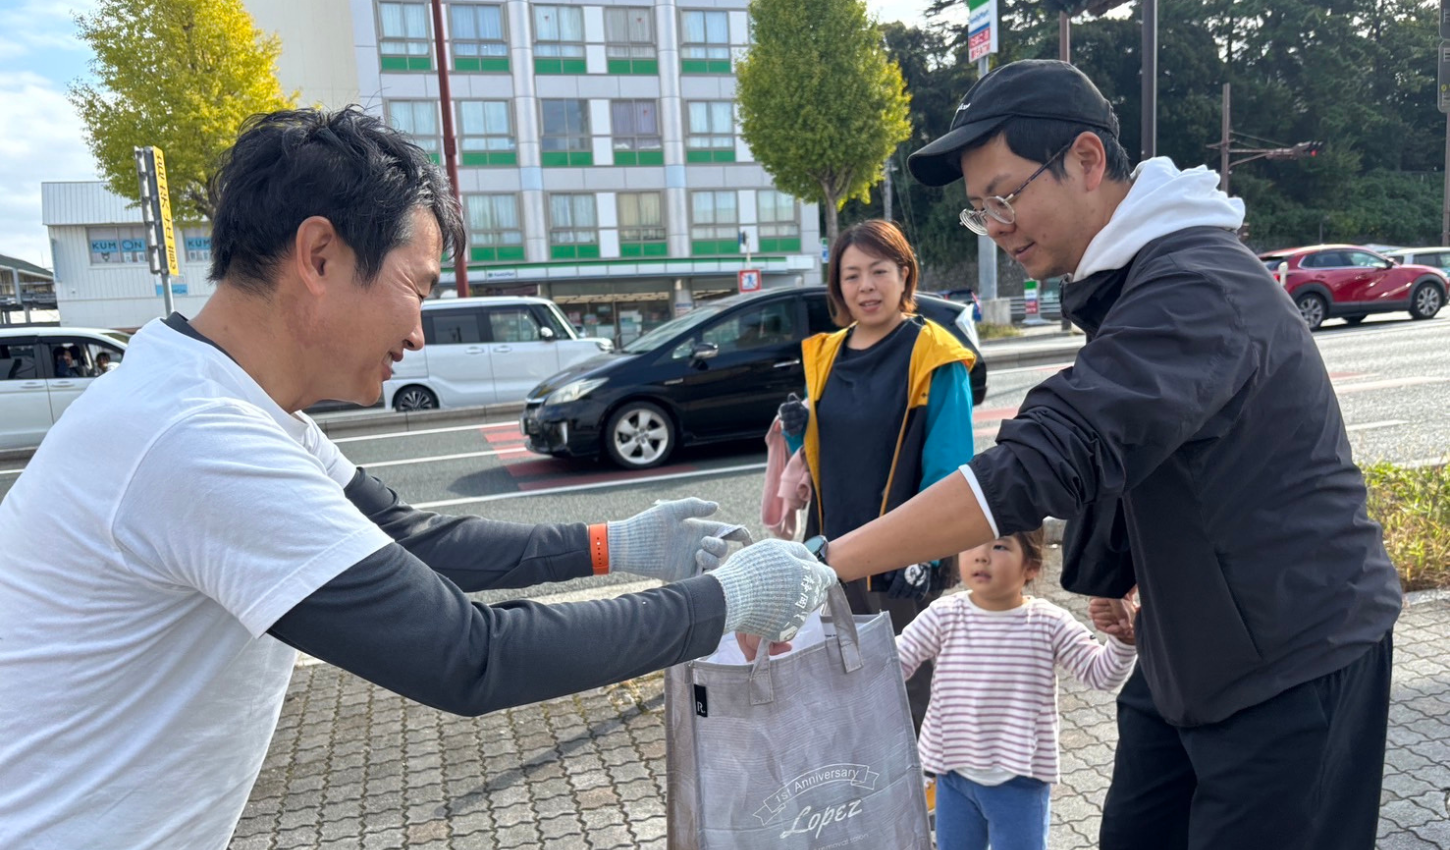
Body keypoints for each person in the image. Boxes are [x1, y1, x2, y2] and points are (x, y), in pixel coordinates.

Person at [0, 107, 837, 850]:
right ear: (320, 254)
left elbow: (404, 537)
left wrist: (613, 541)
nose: (418, 332)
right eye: (416, 287)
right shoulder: (196, 439)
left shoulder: (231, 403)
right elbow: (471, 657)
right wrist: (723, 602)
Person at [734, 59, 1401, 850]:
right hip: (1188, 646)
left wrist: (820, 563)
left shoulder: (1196, 283)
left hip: (1296, 651)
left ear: (1087, 160)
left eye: (1007, 198)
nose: (1000, 226)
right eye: (980, 212)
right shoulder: (1129, 280)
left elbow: (1050, 454)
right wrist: (1119, 567)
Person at [773, 219, 977, 733]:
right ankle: (864, 795)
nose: (866, 286)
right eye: (852, 275)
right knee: (845, 679)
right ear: (837, 286)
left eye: (879, 271)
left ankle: (923, 800)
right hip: (832, 550)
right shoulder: (826, 354)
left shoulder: (935, 355)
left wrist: (928, 553)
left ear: (905, 276)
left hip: (902, 558)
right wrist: (800, 437)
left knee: (911, 687)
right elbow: (826, 460)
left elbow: (949, 466)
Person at [897, 528, 1135, 850]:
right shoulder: (943, 615)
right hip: (953, 777)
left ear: (1031, 567)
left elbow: (1101, 675)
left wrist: (1122, 641)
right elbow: (894, 661)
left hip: (1021, 783)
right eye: (971, 544)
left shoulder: (1048, 622)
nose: (981, 555)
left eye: (999, 546)